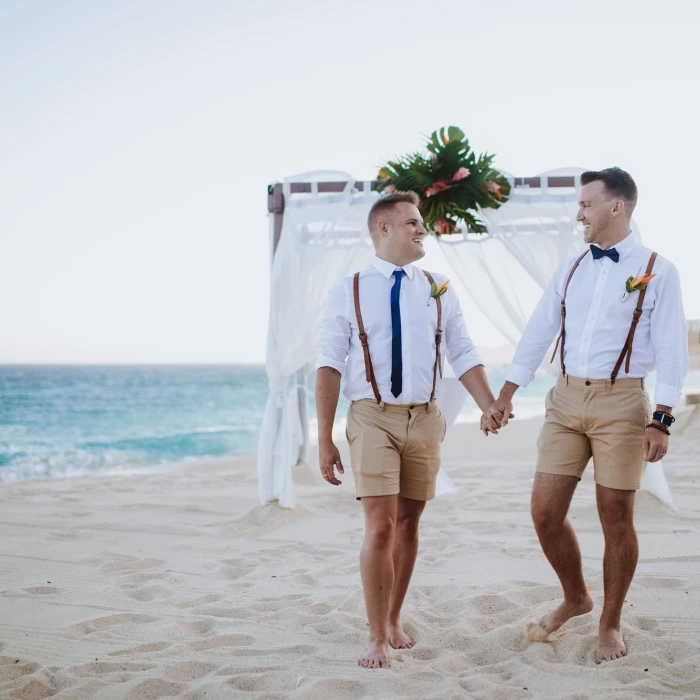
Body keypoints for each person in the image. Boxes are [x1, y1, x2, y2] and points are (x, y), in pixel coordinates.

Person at [485, 168, 688, 663]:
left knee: (615, 516)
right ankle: (576, 596)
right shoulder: (571, 267)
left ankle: (610, 621)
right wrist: (506, 393)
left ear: (615, 207)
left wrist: (661, 418)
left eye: (586, 205)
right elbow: (538, 330)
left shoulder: (659, 268)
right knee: (544, 512)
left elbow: (672, 349)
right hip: (565, 398)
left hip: (623, 403)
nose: (579, 214)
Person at [315, 191, 504, 669]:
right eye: (413, 223)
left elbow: (462, 351)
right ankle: (376, 636)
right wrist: (323, 438)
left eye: (421, 224)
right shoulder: (349, 289)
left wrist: (489, 405)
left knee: (410, 524)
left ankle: (394, 617)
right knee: (380, 526)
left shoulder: (439, 286)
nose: (422, 231)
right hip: (370, 415)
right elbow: (329, 366)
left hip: (426, 417)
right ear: (384, 229)